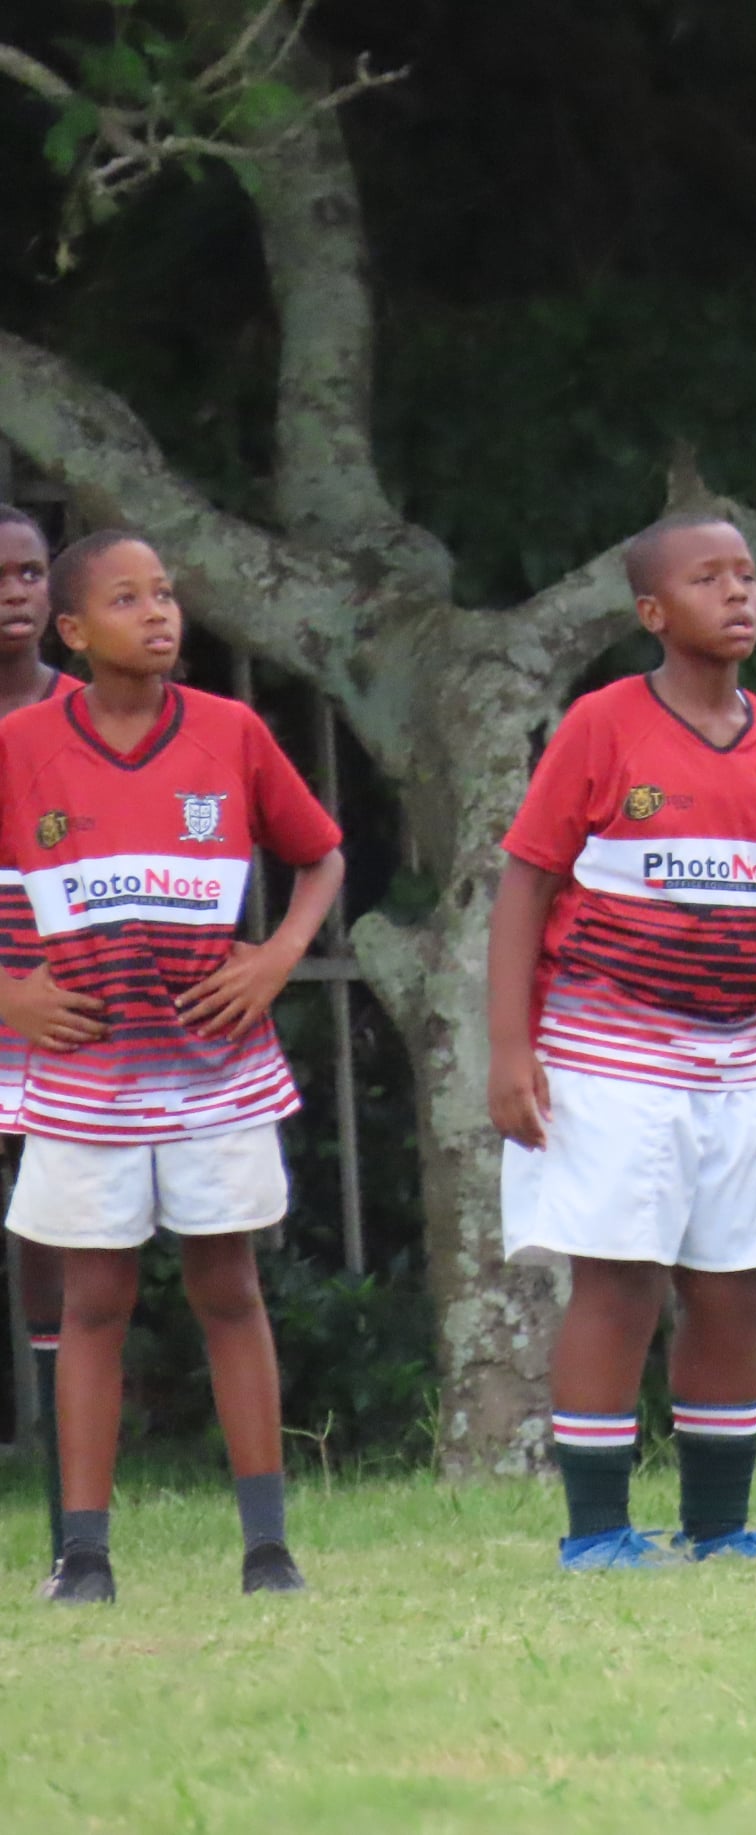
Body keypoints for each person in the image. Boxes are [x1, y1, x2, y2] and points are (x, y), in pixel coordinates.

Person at [487, 513, 756, 1571]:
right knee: (621, 1281)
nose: (738, 593)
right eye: (708, 579)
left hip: (731, 1062)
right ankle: (597, 1530)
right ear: (652, 612)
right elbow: (526, 882)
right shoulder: (603, 725)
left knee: (739, 1281)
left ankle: (718, 1523)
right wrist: (509, 1048)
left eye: (747, 574)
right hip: (603, 1055)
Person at [0, 530, 344, 1606]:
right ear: (72, 630)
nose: (157, 612)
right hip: (83, 1071)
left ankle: (268, 1550)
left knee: (229, 1286)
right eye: (126, 598)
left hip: (215, 1068)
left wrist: (278, 956)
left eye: (164, 593)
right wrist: (9, 994)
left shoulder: (231, 730)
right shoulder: (20, 744)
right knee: (95, 1297)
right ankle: (85, 1557)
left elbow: (320, 853)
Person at [0, 504, 65, 1590]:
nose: (14, 592)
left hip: (65, 1016)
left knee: (57, 1244)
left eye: (30, 571)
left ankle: (71, 1503)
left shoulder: (88, 716)